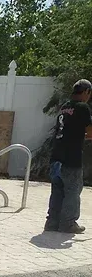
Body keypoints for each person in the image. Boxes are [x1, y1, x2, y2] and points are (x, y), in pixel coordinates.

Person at [45, 78, 92, 234]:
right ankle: (68, 223)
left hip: (56, 157)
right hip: (71, 159)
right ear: (86, 92)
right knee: (72, 191)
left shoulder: (64, 107)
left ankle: (52, 222)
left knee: (57, 191)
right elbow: (90, 132)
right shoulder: (82, 107)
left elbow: (68, 130)